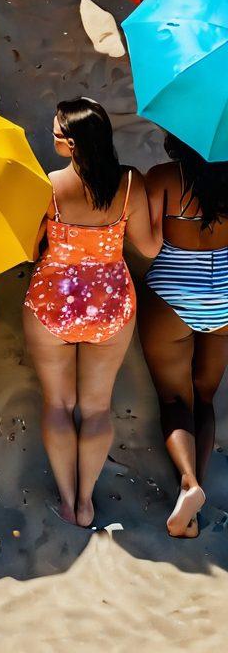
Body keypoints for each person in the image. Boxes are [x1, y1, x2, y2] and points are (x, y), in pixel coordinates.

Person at [24, 98, 159, 527]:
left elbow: (29, 250)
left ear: (73, 144)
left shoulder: (50, 185)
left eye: (57, 133)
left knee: (58, 404)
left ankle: (67, 500)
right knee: (97, 409)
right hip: (111, 303)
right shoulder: (130, 183)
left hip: (53, 301)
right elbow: (149, 247)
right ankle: (86, 501)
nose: (52, 136)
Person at [139, 135, 228, 538]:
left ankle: (189, 483)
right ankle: (194, 500)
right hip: (224, 295)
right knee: (204, 397)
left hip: (173, 292)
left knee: (175, 398)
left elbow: (150, 244)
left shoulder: (162, 177)